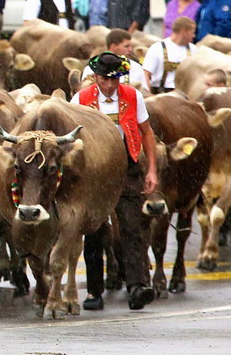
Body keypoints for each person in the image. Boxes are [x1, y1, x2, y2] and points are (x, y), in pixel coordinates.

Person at [71, 52, 158, 312]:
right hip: (95, 170)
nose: (109, 85)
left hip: (128, 166)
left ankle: (137, 285)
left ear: (121, 77)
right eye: (104, 79)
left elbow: (147, 132)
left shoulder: (133, 96)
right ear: (95, 77)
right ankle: (94, 290)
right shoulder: (81, 99)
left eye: (114, 79)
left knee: (132, 226)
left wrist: (151, 169)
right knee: (94, 230)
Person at [143, 16, 197, 94]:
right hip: (160, 94)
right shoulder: (157, 48)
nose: (194, 36)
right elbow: (145, 74)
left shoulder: (193, 49)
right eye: (192, 32)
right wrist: (149, 95)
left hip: (184, 95)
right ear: (184, 31)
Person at [81, 29, 149, 90]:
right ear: (113, 46)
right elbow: (85, 93)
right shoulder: (91, 68)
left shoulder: (136, 67)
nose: (130, 49)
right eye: (126, 46)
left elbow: (145, 92)